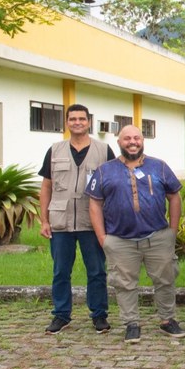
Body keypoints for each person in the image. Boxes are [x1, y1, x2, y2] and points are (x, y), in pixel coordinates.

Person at [86, 125, 185, 344]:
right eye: (127, 138)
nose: (133, 142)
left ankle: (168, 320)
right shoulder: (104, 170)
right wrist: (103, 238)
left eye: (137, 138)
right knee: (124, 283)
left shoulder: (159, 166)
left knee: (165, 280)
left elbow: (174, 197)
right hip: (120, 240)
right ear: (119, 142)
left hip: (158, 237)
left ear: (143, 141)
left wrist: (172, 230)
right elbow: (94, 204)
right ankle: (131, 324)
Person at [39, 104, 115, 335]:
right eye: (73, 119)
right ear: (67, 122)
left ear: (89, 122)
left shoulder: (104, 150)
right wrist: (44, 220)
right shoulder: (55, 150)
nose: (77, 122)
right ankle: (61, 315)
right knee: (61, 271)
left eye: (82, 119)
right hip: (61, 221)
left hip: (92, 221)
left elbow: (113, 186)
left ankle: (99, 315)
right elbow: (46, 186)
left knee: (96, 271)